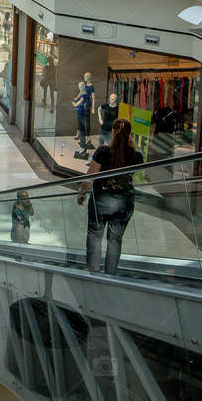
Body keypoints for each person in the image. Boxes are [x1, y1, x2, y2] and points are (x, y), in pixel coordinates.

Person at [77, 118, 138, 274]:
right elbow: (132, 176)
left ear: (112, 132)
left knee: (94, 235)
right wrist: (132, 145)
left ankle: (93, 271)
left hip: (101, 199)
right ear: (130, 135)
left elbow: (90, 176)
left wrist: (82, 193)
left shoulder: (103, 152)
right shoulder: (136, 156)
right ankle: (110, 274)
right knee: (115, 240)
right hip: (124, 201)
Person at [72, 76, 95, 159]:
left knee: (82, 130)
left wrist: (75, 104)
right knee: (81, 129)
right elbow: (80, 98)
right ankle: (83, 146)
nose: (79, 88)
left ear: (81, 87)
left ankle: (83, 147)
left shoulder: (84, 95)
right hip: (81, 113)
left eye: (80, 87)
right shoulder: (83, 93)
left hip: (81, 113)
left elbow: (80, 101)